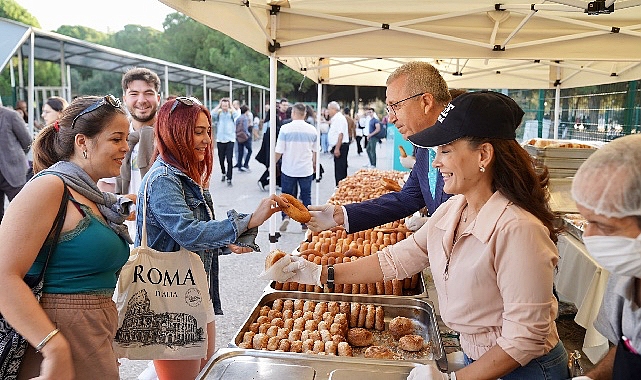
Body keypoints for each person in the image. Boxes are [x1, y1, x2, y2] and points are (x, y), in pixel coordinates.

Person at [271, 91, 569, 380]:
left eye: (446, 151)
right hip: (478, 357)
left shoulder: (518, 229)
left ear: (484, 154)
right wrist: (320, 273)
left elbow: (525, 339)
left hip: (525, 370)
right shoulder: (454, 209)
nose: (436, 162)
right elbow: (396, 259)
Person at [137, 97, 281, 380]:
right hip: (169, 297)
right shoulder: (163, 178)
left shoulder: (183, 175)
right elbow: (188, 233)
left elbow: (194, 234)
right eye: (197, 132)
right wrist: (249, 220)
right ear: (174, 133)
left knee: (203, 371)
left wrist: (227, 242)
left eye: (208, 131)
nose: (206, 140)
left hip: (193, 288)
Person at [0, 95, 133, 379]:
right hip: (59, 338)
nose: (126, 147)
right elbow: (3, 276)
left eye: (127, 138)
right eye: (116, 139)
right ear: (82, 142)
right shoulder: (50, 187)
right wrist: (54, 347)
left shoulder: (93, 196)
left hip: (92, 337)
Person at [307, 62, 453, 234]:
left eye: (395, 106)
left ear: (426, 102)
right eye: (388, 108)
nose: (390, 118)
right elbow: (407, 198)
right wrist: (342, 214)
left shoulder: (469, 148)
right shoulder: (423, 147)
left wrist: (433, 224)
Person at [569, 134, 641, 380]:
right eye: (587, 222)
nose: (590, 236)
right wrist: (592, 377)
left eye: (605, 226)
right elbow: (626, 346)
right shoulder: (626, 276)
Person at [98, 67, 161, 241]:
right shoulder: (113, 138)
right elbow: (106, 187)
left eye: (148, 93)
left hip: (162, 236)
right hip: (124, 236)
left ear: (158, 98)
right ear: (124, 98)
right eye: (134, 94)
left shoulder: (168, 138)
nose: (141, 100)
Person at [275, 103, 318, 232]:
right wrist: (315, 164)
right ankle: (305, 223)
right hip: (306, 169)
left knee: (287, 196)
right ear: (305, 114)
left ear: (293, 113)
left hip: (289, 168)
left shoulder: (285, 129)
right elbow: (315, 151)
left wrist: (272, 165)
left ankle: (286, 217)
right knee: (306, 196)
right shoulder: (312, 130)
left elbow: (279, 150)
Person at [0, 106, 32, 222]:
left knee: (22, 213)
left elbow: (27, 141)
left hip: (13, 172)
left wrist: (14, 158)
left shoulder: (10, 115)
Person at [212, 98, 235, 185]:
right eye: (223, 105)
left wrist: (231, 106)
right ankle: (223, 173)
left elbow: (237, 116)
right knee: (221, 159)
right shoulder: (219, 113)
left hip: (230, 139)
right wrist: (218, 105)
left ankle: (229, 178)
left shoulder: (231, 113)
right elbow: (211, 113)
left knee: (229, 159)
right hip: (220, 139)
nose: (225, 107)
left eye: (226, 105)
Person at [327, 101, 350, 186]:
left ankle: (340, 187)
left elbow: (341, 134)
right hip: (338, 146)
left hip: (340, 146)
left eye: (329, 109)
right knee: (339, 169)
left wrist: (337, 148)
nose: (328, 111)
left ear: (333, 109)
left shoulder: (339, 118)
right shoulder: (336, 118)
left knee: (340, 170)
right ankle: (340, 186)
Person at [234, 105, 252, 172]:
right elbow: (245, 129)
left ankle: (239, 166)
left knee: (240, 152)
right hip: (245, 137)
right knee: (250, 150)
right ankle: (246, 164)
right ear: (246, 111)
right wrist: (248, 135)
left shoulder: (238, 118)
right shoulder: (245, 118)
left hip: (239, 137)